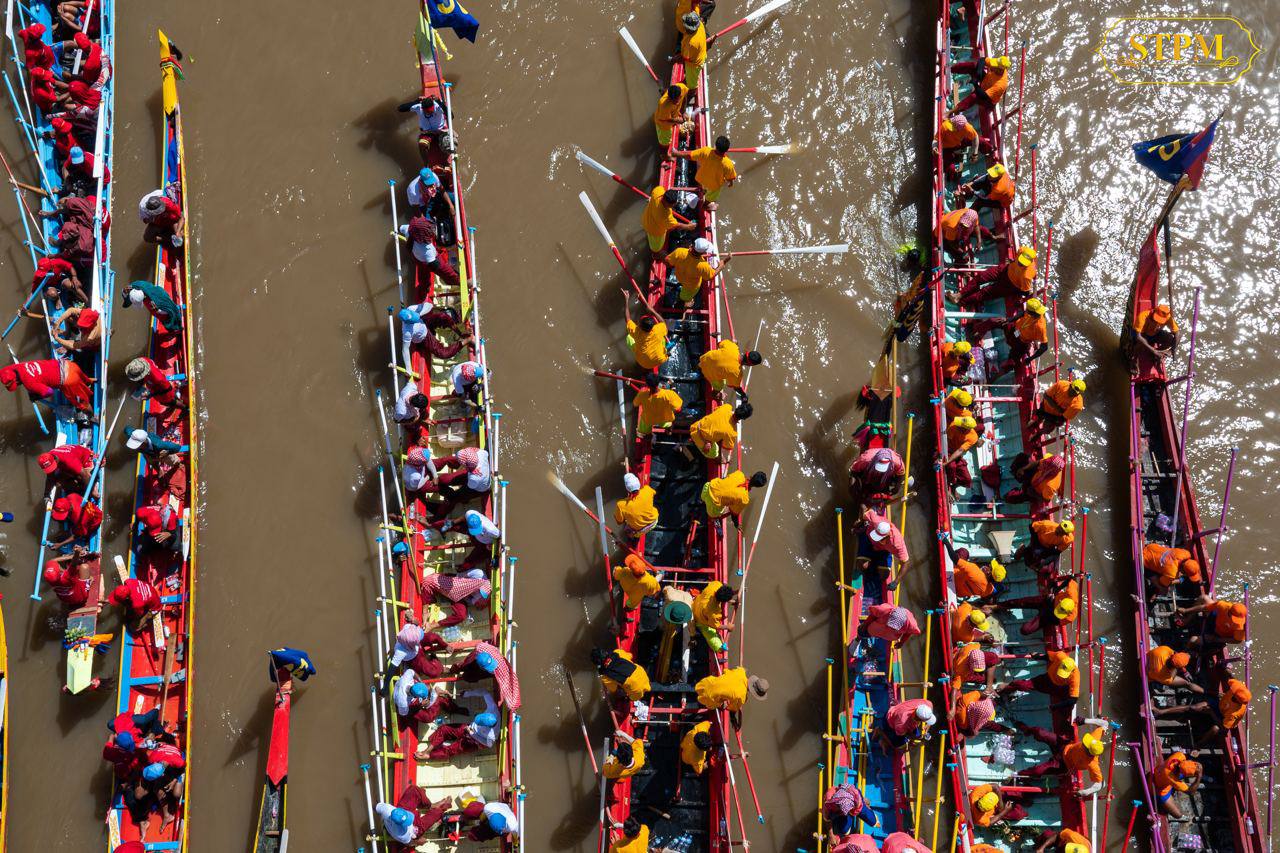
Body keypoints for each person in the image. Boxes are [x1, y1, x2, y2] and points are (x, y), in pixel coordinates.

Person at [1014, 719, 1108, 795]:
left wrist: (1085, 792)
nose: (1084, 742)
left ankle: (1018, 775)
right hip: (1064, 746)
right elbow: (1105, 723)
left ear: (1088, 751)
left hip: (1064, 764)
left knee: (1037, 771)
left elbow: (1099, 784)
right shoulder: (1094, 740)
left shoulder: (1092, 764)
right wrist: (1085, 720)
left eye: (1085, 745)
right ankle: (1027, 730)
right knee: (1040, 732)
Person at [0, 356, 94, 413]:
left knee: (83, 405)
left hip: (69, 380)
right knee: (84, 380)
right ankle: (90, 383)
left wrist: (36, 396)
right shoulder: (16, 367)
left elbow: (49, 392)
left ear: (16, 381)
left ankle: (92, 416)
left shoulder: (30, 384)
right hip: (69, 364)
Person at [418, 696, 500, 761]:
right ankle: (430, 748)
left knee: (450, 750)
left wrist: (472, 734)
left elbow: (488, 744)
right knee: (444, 729)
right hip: (468, 728)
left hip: (476, 741)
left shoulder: (492, 735)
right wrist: (467, 693)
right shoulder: (493, 709)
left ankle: (428, 755)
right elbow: (484, 692)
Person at [957, 245, 1038, 309]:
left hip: (1009, 285)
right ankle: (959, 294)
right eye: (1020, 260)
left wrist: (1022, 298)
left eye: (1023, 263)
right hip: (1005, 270)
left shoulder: (1027, 275)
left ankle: (962, 302)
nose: (1020, 263)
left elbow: (1025, 290)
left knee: (984, 293)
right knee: (981, 277)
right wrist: (1012, 261)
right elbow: (1016, 257)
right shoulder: (1023, 250)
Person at [377, 784, 452, 850]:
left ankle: (430, 805)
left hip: (403, 812)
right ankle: (443, 807)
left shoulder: (388, 810)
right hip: (414, 830)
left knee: (414, 790)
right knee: (430, 819)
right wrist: (418, 841)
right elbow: (409, 843)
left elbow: (375, 806)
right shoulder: (403, 835)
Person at [999, 649, 1080, 710]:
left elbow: (1073, 699)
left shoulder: (1075, 678)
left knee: (1067, 705)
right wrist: (1037, 656)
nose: (1061, 675)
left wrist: (1055, 706)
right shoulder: (1060, 656)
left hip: (1057, 687)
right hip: (1046, 678)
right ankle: (1005, 689)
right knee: (1022, 685)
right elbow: (1047, 657)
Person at [672, 135, 736, 209]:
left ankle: (703, 191)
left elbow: (690, 156)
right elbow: (730, 178)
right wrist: (731, 184)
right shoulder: (728, 164)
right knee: (710, 197)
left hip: (701, 179)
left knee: (704, 187)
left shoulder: (706, 151)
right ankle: (706, 205)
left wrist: (677, 153)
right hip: (714, 186)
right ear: (726, 150)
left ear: (715, 145)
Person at [399, 302, 472, 367]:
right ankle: (466, 341)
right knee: (443, 353)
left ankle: (460, 333)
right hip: (424, 338)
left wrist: (419, 314)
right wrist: (408, 368)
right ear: (408, 323)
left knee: (443, 316)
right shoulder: (407, 332)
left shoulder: (411, 308)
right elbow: (405, 349)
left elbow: (429, 305)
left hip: (424, 322)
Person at [397, 218, 462, 289]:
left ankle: (425, 287)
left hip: (417, 258)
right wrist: (441, 270)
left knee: (423, 276)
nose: (432, 231)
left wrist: (397, 230)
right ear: (423, 236)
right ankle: (457, 281)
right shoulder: (427, 250)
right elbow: (437, 266)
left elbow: (400, 228)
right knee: (447, 272)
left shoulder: (408, 228)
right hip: (429, 261)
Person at [665, 237, 729, 305]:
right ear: (703, 252)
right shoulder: (703, 266)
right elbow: (711, 276)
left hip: (679, 277)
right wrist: (721, 266)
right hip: (691, 287)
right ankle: (686, 300)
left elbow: (667, 261)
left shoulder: (679, 251)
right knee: (684, 297)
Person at [857, 509, 909, 588]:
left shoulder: (897, 543)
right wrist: (859, 523)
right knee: (862, 566)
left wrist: (896, 582)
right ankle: (869, 563)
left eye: (880, 538)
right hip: (868, 540)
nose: (877, 539)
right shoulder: (876, 521)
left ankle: (872, 564)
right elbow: (864, 510)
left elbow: (906, 563)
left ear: (888, 536)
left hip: (883, 550)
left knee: (884, 575)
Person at [686, 400, 751, 460]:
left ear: (738, 408)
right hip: (699, 439)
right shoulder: (731, 433)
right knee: (715, 453)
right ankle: (716, 458)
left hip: (695, 426)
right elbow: (727, 448)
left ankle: (693, 438)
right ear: (744, 418)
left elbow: (715, 410)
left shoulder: (727, 407)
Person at [944, 535, 1005, 600]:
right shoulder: (988, 590)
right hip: (956, 593)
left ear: (989, 573)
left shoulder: (974, 570)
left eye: (990, 567)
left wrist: (945, 541)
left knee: (964, 552)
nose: (988, 565)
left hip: (950, 578)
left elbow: (955, 559)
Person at [397, 95, 451, 165]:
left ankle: (447, 163)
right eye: (427, 111)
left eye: (431, 111)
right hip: (427, 133)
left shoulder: (438, 106)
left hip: (441, 131)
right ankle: (426, 165)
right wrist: (415, 101)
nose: (429, 113)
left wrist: (439, 102)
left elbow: (451, 116)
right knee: (422, 144)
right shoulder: (418, 107)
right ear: (422, 108)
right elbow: (400, 108)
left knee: (449, 143)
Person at [701, 469, 767, 527]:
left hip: (708, 486)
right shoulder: (744, 499)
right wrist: (737, 525)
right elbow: (734, 514)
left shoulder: (739, 474)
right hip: (713, 504)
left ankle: (703, 501)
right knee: (724, 509)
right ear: (757, 487)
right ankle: (713, 518)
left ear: (753, 475)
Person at [642, 186, 695, 253]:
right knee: (656, 248)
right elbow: (676, 225)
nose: (672, 207)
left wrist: (652, 199)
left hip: (646, 218)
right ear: (666, 202)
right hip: (654, 230)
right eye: (671, 205)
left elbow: (660, 188)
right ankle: (656, 254)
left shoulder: (657, 192)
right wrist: (688, 227)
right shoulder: (664, 215)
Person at [623, 296, 670, 369]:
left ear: (640, 328)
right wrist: (653, 311)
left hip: (642, 363)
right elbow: (663, 322)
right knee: (663, 338)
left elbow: (627, 319)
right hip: (659, 360)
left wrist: (626, 300)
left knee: (629, 337)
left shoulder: (637, 332)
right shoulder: (657, 330)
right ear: (652, 326)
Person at [1151, 751, 1201, 817]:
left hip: (1159, 773)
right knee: (1178, 815)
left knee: (1191, 773)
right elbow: (1191, 792)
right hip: (1160, 790)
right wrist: (1199, 776)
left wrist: (1192, 755)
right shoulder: (1173, 779)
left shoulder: (1179, 755)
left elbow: (1187, 761)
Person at [691, 580, 739, 649]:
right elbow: (715, 626)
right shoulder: (714, 613)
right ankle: (719, 649)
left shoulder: (716, 585)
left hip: (696, 603)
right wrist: (728, 627)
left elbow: (721, 592)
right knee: (718, 647)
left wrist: (735, 592)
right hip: (699, 619)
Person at [615, 472, 659, 538]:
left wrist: (617, 515)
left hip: (641, 530)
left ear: (627, 489)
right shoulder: (647, 490)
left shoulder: (620, 505)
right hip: (654, 521)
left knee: (627, 530)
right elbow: (654, 493)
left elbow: (619, 522)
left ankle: (634, 537)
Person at [677, 12, 708, 91]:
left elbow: (685, 58)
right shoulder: (700, 24)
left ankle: (692, 91)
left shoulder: (691, 43)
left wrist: (674, 59)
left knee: (692, 85)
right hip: (702, 54)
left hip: (694, 65)